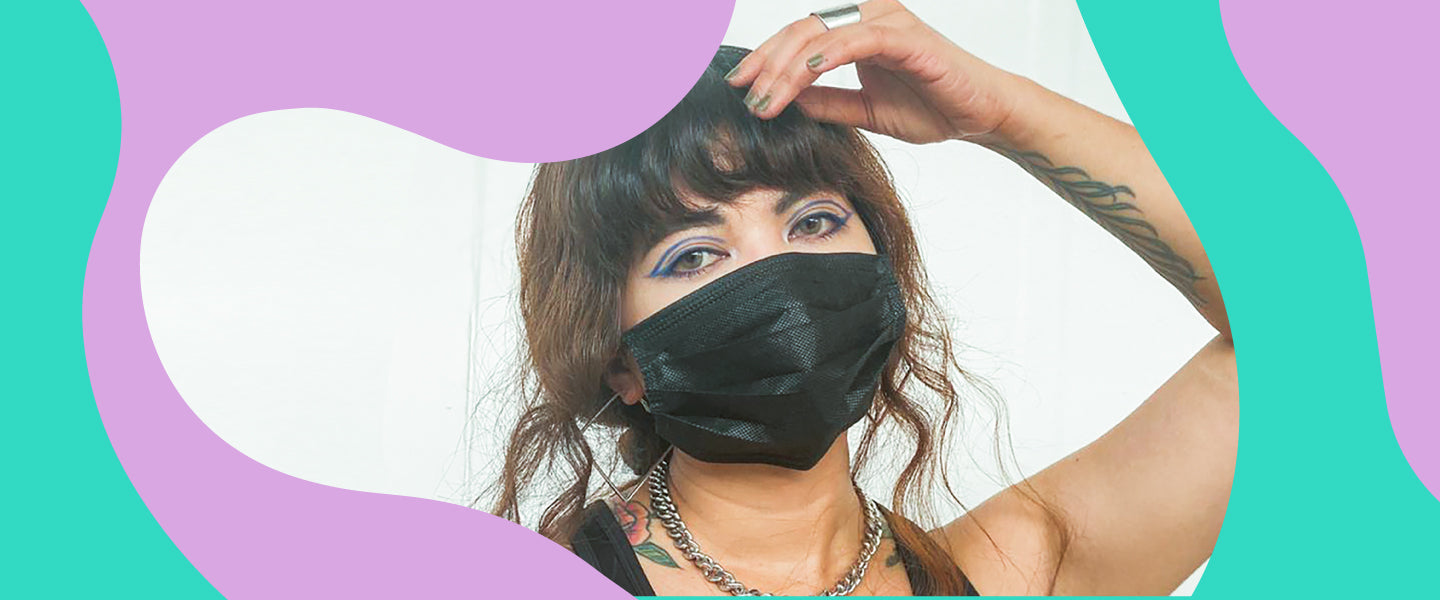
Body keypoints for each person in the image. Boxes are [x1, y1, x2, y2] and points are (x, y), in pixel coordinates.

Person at [488, 0, 1236, 595]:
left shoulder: (1012, 571)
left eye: (814, 222)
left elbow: (1294, 317)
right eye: (695, 255)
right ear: (618, 362)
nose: (779, 274)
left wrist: (999, 114)